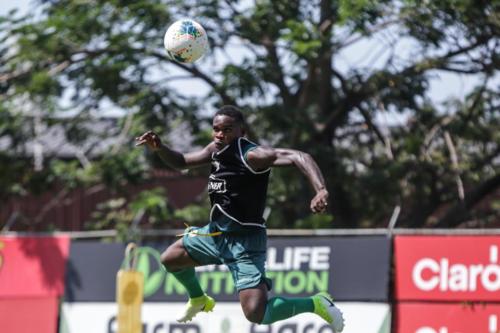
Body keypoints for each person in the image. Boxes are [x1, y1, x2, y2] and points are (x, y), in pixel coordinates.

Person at [135, 105, 344, 331]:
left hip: (245, 241)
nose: (220, 134)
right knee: (170, 259)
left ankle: (316, 303)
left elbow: (299, 156)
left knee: (256, 313)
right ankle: (198, 299)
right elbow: (182, 161)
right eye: (216, 129)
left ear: (241, 131)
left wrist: (320, 189)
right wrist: (160, 147)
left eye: (227, 129)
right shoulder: (215, 149)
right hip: (215, 234)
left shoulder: (251, 155)